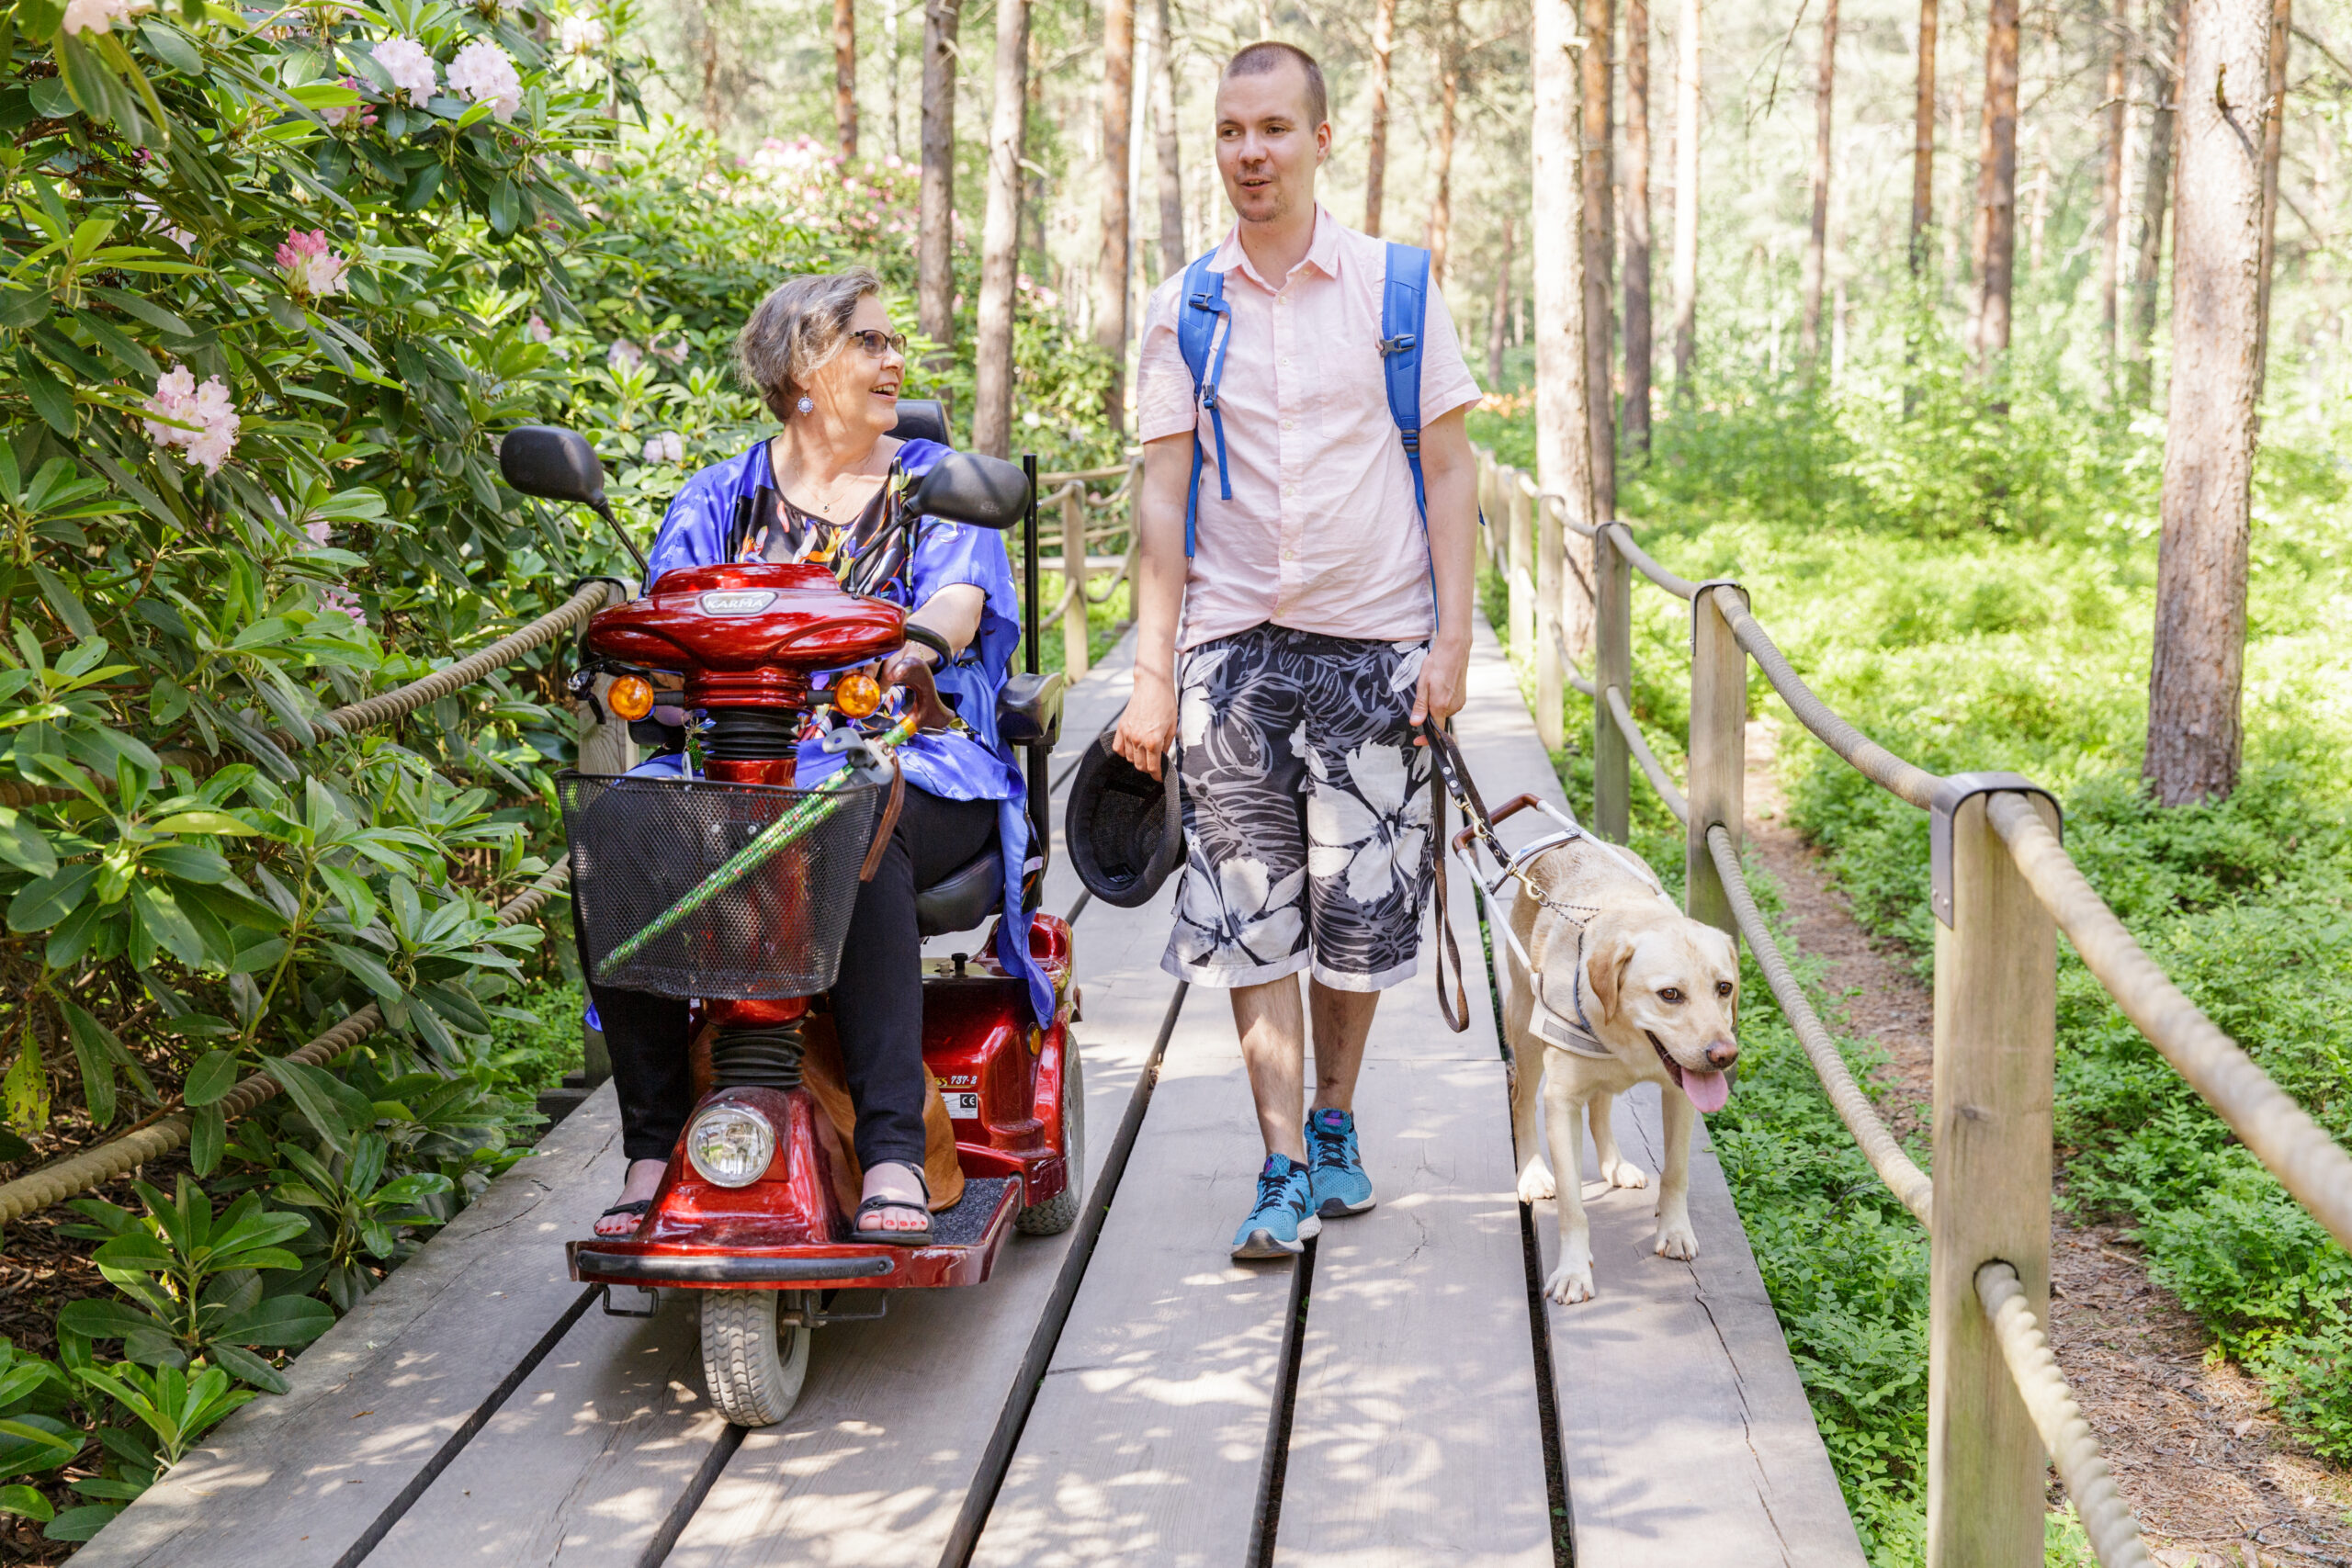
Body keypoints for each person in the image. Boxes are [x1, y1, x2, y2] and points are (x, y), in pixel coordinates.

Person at [587, 268, 1050, 1243]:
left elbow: (957, 605)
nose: (895, 363)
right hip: (735, 765)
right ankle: (651, 1142)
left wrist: (914, 647)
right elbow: (668, 623)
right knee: (618, 825)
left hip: (911, 757)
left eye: (890, 343)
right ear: (803, 367)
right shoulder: (719, 497)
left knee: (852, 818)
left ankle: (888, 1146)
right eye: (870, 344)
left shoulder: (932, 481)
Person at [1114, 41, 1482, 1260]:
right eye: (1230, 131)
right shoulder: (1184, 305)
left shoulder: (1398, 288)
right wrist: (1154, 672)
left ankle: (1335, 1120)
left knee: (1357, 914)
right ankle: (1278, 1163)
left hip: (1374, 642)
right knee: (1245, 911)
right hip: (1231, 653)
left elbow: (1446, 471)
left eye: (1273, 128)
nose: (1250, 153)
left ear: (1324, 138)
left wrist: (1451, 641)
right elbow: (1162, 497)